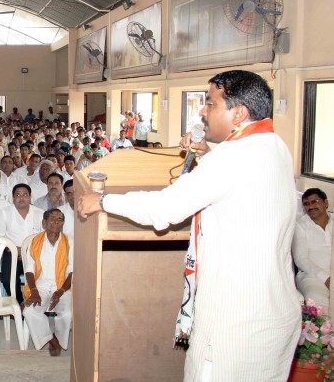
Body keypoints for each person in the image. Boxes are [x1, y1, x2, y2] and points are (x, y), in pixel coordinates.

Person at [78, 70, 300, 381]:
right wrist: (209, 154)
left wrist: (102, 201)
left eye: (210, 103)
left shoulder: (233, 158)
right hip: (272, 313)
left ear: (239, 112)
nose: (202, 111)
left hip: (235, 323)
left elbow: (164, 209)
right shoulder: (273, 145)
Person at [23, 209, 73, 357]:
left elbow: (72, 272)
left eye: (59, 219)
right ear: (44, 223)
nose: (56, 222)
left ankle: (58, 337)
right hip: (41, 286)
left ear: (63, 224)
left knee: (68, 313)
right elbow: (29, 269)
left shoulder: (69, 242)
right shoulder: (35, 241)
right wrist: (34, 290)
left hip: (63, 287)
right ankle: (52, 340)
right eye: (52, 219)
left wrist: (61, 291)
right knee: (29, 311)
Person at [0, 183, 44, 306]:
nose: (21, 198)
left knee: (44, 277)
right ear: (13, 198)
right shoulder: (4, 213)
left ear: (30, 197)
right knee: (7, 279)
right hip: (12, 253)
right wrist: (14, 249)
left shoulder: (40, 214)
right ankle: (19, 303)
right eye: (18, 195)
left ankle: (38, 304)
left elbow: (44, 238)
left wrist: (27, 251)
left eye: (25, 195)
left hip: (34, 254)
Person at [293, 188, 333, 310]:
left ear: (326, 203)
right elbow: (301, 260)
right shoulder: (300, 226)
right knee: (316, 300)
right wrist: (326, 278)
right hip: (312, 276)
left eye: (315, 201)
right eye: (306, 204)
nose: (310, 206)